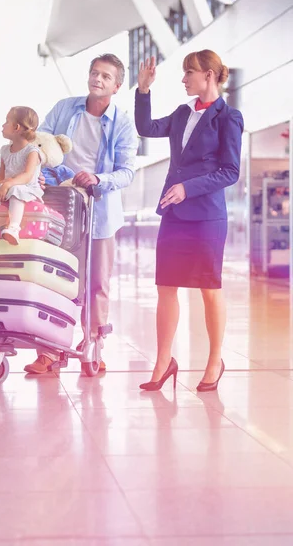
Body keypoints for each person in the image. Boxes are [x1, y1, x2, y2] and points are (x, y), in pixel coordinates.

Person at [135, 49, 243, 392]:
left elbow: (230, 171)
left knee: (209, 289)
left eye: (189, 73)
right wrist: (143, 91)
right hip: (175, 214)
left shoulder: (229, 118)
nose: (184, 79)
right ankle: (164, 361)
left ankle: (215, 361)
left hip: (207, 216)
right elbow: (146, 127)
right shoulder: (183, 113)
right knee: (165, 286)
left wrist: (188, 187)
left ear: (209, 76)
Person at [24, 53, 138, 374]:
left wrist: (99, 179)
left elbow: (128, 170)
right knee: (54, 278)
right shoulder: (65, 108)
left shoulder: (123, 123)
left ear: (116, 86)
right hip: (60, 208)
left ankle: (93, 346)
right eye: (94, 73)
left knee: (97, 283)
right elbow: (39, 142)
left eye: (105, 76)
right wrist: (45, 169)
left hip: (100, 213)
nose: (97, 79)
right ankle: (49, 351)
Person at [0, 106, 43, 245]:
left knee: (17, 190)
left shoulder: (32, 151)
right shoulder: (4, 150)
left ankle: (13, 228)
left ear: (16, 127)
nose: (2, 125)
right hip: (8, 185)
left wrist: (7, 184)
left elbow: (27, 176)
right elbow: (0, 177)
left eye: (6, 122)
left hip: (27, 187)